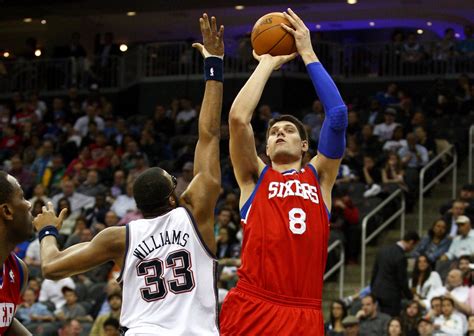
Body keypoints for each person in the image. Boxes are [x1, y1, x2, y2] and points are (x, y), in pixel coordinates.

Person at [34, 13, 224, 336]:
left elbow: (51, 267)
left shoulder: (119, 236)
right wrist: (214, 65)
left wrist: (48, 230)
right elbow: (208, 135)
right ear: (171, 196)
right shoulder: (195, 213)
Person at [220, 8, 348, 335]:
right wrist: (266, 63)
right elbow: (237, 120)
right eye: (274, 132)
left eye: (289, 130)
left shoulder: (319, 177)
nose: (280, 133)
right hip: (253, 304)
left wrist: (306, 51)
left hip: (303, 310)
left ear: (306, 146)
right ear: (265, 149)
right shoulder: (254, 177)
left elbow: (337, 115)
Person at [0, 171, 32, 335]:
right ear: (6, 211)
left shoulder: (19, 270)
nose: (29, 205)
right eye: (22, 197)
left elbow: (6, 323)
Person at [371, 230, 420, 316]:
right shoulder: (401, 257)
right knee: (389, 322)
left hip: (376, 292)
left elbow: (374, 272)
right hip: (391, 297)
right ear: (411, 242)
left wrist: (373, 289)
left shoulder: (383, 250)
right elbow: (402, 280)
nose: (413, 249)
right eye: (414, 246)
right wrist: (411, 297)